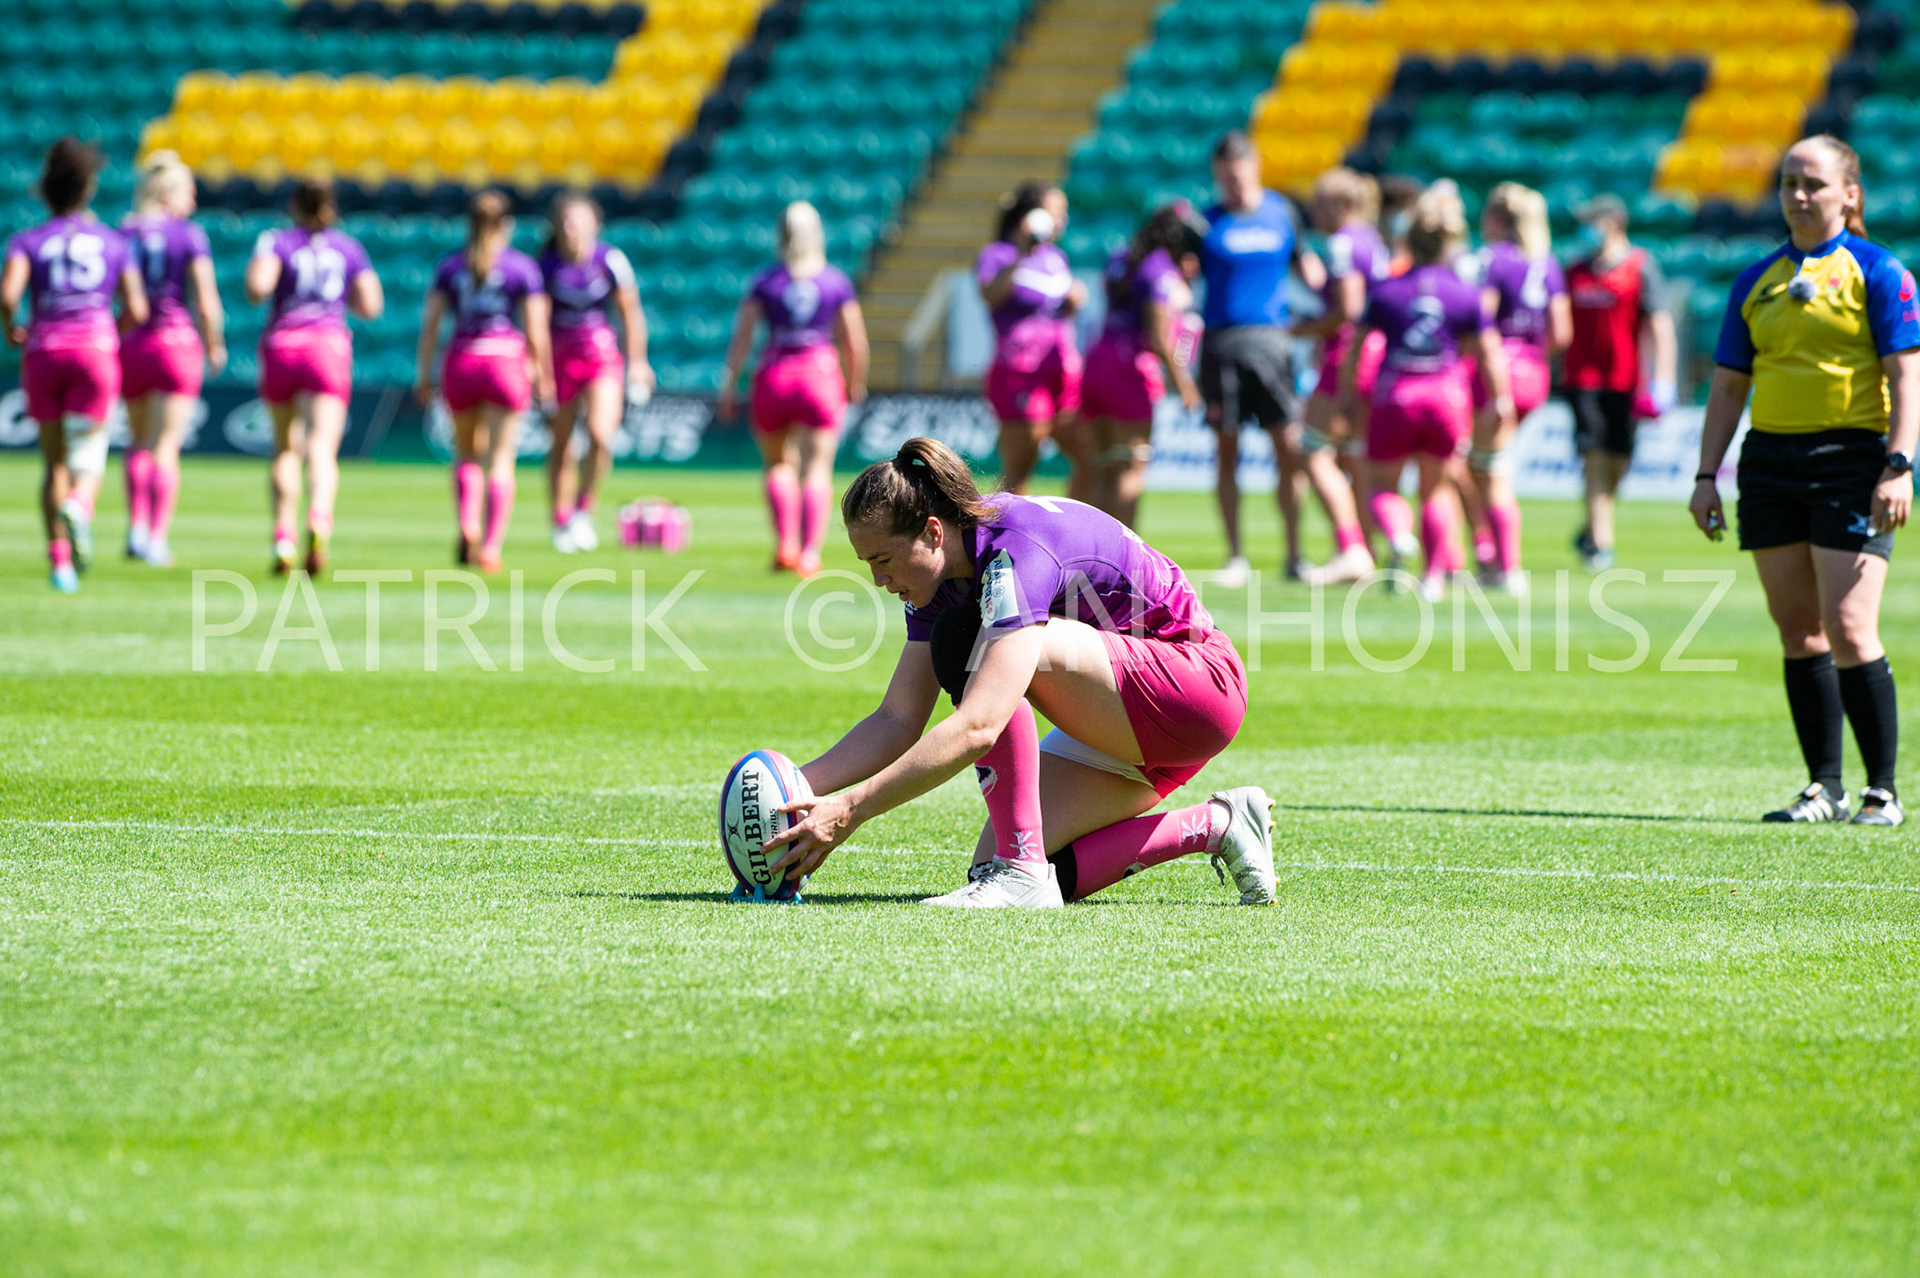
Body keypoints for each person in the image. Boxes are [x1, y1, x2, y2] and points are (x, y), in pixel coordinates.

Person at [762, 436, 1277, 910]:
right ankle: (1219, 824)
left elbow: (981, 724)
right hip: (1126, 708)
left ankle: (1020, 869)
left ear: (933, 533)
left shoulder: (1012, 552)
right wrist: (790, 792)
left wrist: (848, 810)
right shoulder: (943, 575)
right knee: (999, 864)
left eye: (884, 559)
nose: (878, 579)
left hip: (1196, 689)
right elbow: (898, 718)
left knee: (970, 639)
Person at [1690, 135, 1920, 827]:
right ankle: (1825, 787)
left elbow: (1906, 375)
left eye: (1813, 183)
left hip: (1852, 461)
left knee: (1851, 626)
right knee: (1799, 632)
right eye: (1789, 181)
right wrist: (1706, 475)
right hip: (1769, 463)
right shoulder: (1754, 280)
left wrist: (1900, 463)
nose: (1797, 194)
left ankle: (1883, 790)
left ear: (1850, 193)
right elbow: (1729, 387)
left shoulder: (1880, 273)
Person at [1345, 188, 1513, 602]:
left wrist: (1351, 394)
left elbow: (1356, 347)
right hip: (1445, 397)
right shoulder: (1464, 292)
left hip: (1396, 394)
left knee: (1381, 486)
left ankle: (1399, 535)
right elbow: (1490, 353)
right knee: (1436, 489)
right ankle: (1434, 579)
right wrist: (1500, 400)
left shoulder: (1387, 290)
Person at [0, 136, 146, 593]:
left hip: (43, 348)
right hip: (93, 350)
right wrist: (110, 331)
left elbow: (8, 295)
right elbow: (138, 309)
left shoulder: (28, 240)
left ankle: (59, 560)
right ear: (87, 190)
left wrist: (13, 327)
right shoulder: (111, 242)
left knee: (53, 460)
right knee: (90, 451)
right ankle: (81, 505)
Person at [1198, 131, 1325, 586]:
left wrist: (1333, 302)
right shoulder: (1206, 222)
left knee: (1288, 449)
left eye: (1236, 174)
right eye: (1222, 178)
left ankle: (1295, 553)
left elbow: (1309, 268)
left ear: (1254, 167)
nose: (1230, 184)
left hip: (1273, 345)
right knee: (1226, 452)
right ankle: (1236, 556)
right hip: (1222, 346)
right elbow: (1181, 277)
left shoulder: (1283, 213)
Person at [719, 201, 868, 577]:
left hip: (774, 373)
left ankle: (785, 544)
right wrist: (854, 383)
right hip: (818, 373)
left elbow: (743, 339)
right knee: (816, 468)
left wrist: (729, 384)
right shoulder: (835, 281)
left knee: (778, 464)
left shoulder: (766, 281)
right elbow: (854, 342)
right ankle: (809, 553)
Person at [246, 176, 382, 575]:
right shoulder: (348, 248)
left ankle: (283, 535)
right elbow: (371, 305)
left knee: (285, 447)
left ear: (294, 205)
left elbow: (258, 287)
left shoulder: (277, 241)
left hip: (284, 345)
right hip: (327, 347)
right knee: (322, 450)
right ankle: (319, 519)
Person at [414, 190, 553, 574]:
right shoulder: (521, 268)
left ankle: (467, 524)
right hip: (504, 362)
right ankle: (491, 546)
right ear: (507, 224)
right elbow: (537, 330)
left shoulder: (451, 267)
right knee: (501, 458)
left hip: (462, 361)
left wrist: (423, 374)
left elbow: (430, 327)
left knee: (466, 454)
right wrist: (544, 374)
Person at [119, 151, 224, 570]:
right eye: (188, 193)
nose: (193, 203)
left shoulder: (125, 232)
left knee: (138, 441)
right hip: (175, 342)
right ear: (168, 194)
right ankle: (156, 539)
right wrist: (214, 342)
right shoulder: (190, 235)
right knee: (166, 445)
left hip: (131, 344)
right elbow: (206, 299)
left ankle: (135, 529)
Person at [1466, 182, 1571, 595]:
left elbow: (1481, 320)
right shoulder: (1547, 263)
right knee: (1478, 464)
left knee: (1490, 472)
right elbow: (1561, 332)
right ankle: (1490, 559)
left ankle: (1505, 566)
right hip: (1533, 373)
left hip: (1496, 373)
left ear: (1495, 218)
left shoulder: (1492, 259)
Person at [1564, 193, 1677, 571]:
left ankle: (1592, 523)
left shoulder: (1639, 268)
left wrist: (1662, 379)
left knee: (1618, 460)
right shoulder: (1575, 271)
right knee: (1594, 456)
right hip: (1583, 379)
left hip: (1626, 380)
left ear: (1612, 223)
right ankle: (1601, 543)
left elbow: (1659, 325)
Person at [1078, 201, 1206, 528]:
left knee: (1104, 468)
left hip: (1097, 360)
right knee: (1132, 467)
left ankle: (1090, 558)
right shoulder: (1160, 269)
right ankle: (1120, 559)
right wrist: (1185, 383)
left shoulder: (1122, 255)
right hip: (1129, 371)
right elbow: (1159, 337)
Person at [540, 190, 652, 555]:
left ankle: (583, 512)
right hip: (557, 359)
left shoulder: (609, 260)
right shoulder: (545, 265)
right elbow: (534, 320)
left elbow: (630, 314)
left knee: (601, 435)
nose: (572, 227)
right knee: (562, 444)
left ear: (594, 224)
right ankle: (560, 518)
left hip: (601, 356)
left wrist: (637, 362)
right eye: (567, 220)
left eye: (579, 220)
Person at [1298, 166, 1389, 585]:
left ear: (1342, 205)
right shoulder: (1372, 240)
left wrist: (1306, 328)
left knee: (1314, 451)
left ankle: (1350, 546)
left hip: (1348, 353)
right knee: (1355, 454)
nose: (1314, 210)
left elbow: (1348, 311)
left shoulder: (1341, 243)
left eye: (1320, 201)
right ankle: (1368, 548)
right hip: (1378, 351)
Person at [976, 182, 1088, 496]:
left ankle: (1073, 534)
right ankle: (998, 540)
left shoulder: (1055, 258)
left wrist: (1073, 300)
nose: (1062, 219)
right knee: (1021, 466)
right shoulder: (998, 255)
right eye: (1056, 211)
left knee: (1089, 456)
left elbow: (1057, 310)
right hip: (1020, 370)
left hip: (1061, 368)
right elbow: (990, 295)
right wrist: (1021, 255)